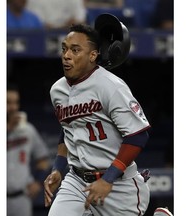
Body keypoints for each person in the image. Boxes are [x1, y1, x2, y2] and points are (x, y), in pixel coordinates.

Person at [43, 23, 151, 215]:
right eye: (64, 49)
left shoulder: (111, 86)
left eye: (75, 50)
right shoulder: (57, 90)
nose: (66, 55)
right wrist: (58, 169)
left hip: (118, 184)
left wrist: (108, 179)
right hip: (76, 180)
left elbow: (138, 136)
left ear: (92, 56)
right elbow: (68, 128)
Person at [7, 84, 50, 216]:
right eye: (8, 103)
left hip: (21, 198)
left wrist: (38, 182)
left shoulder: (27, 130)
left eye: (16, 102)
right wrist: (8, 128)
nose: (13, 107)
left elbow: (43, 159)